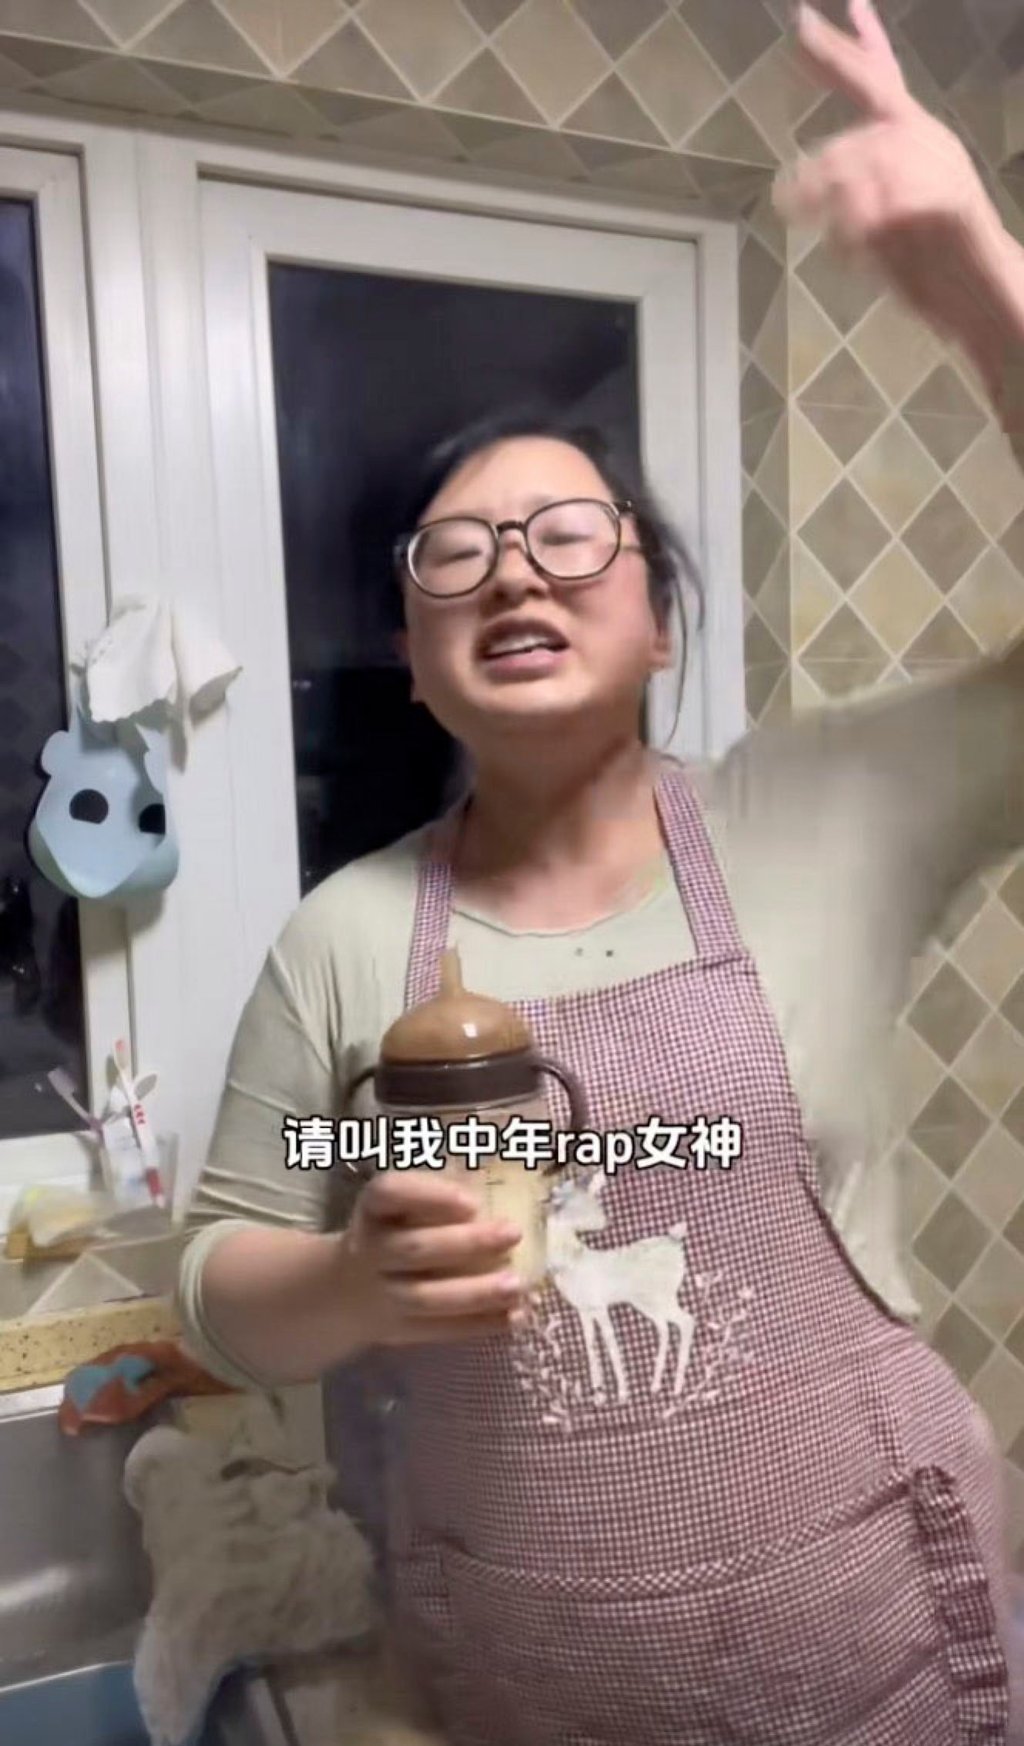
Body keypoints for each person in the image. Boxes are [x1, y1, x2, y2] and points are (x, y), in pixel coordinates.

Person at [179, 3, 1024, 1740]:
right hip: (520, 1702)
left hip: (895, 1675)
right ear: (411, 659)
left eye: (574, 536)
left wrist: (979, 281)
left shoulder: (819, 812)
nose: (515, 573)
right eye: (456, 554)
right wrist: (345, 1283)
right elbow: (215, 1273)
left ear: (656, 624)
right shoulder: (347, 938)